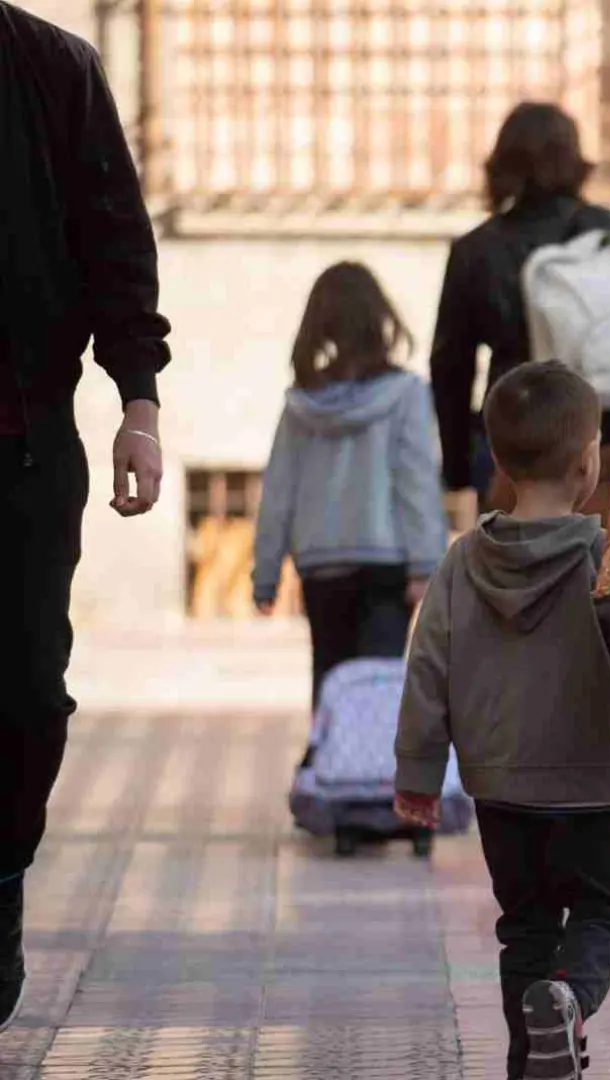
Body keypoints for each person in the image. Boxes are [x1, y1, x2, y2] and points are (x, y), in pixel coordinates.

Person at [393, 361, 610, 1080]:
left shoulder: (461, 564)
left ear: (497, 460)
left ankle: (532, 1064)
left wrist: (419, 772)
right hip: (587, 785)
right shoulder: (605, 558)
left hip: (499, 788)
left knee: (523, 929)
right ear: (589, 464)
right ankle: (571, 1000)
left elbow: (426, 668)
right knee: (598, 917)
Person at [0, 1, 170, 1032]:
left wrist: (138, 406)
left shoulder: (51, 68)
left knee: (21, 693)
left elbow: (115, 241)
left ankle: (2, 873)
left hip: (19, 448)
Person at [429, 102, 610, 519]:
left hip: (524, 462)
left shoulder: (477, 250)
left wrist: (457, 474)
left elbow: (451, 372)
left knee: (524, 575)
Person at [252, 263, 448, 706]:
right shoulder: (407, 394)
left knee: (329, 684)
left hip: (321, 566)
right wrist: (425, 565)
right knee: (376, 691)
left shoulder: (301, 404)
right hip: (388, 565)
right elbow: (415, 482)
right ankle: (363, 773)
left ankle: (324, 769)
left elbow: (278, 492)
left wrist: (265, 574)